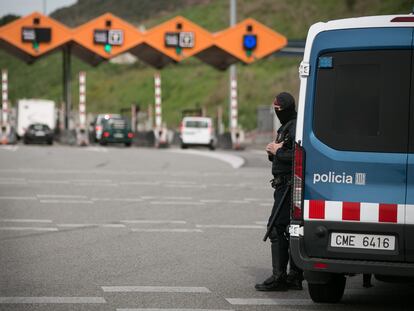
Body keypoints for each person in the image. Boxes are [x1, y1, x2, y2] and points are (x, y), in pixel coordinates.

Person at [255, 92, 303, 291]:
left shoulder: (295, 127)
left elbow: (298, 156)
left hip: (290, 185)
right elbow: (283, 155)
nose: (276, 113)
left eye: (278, 110)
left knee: (276, 228)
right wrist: (273, 152)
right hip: (283, 184)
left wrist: (278, 151)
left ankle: (280, 277)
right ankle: (294, 276)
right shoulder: (287, 126)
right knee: (289, 229)